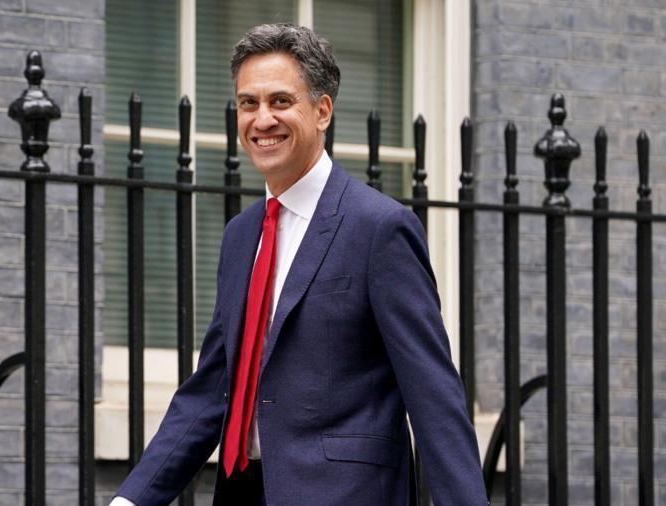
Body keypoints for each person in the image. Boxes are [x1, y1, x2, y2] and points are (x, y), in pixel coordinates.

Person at [111, 23, 488, 506]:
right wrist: (130, 501)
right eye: (249, 103)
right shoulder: (240, 236)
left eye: (280, 101)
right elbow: (213, 389)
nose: (261, 119)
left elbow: (434, 397)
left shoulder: (380, 228)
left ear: (322, 110)